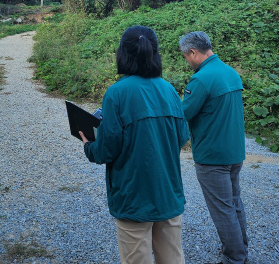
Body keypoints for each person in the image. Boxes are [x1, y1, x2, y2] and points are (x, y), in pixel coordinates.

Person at [79, 25, 189, 264]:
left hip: (133, 197)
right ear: (154, 53)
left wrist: (88, 145)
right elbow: (181, 137)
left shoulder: (117, 94)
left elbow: (106, 149)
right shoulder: (169, 90)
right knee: (173, 259)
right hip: (168, 193)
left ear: (123, 53)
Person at [179, 31, 248, 264]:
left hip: (212, 156)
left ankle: (235, 258)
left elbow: (183, 114)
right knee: (234, 202)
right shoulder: (231, 73)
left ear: (193, 52)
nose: (186, 61)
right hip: (234, 151)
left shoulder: (201, 79)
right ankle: (241, 247)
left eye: (185, 56)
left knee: (222, 209)